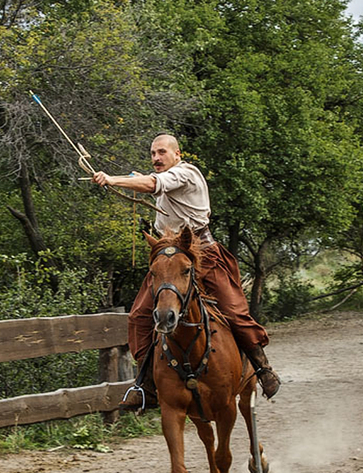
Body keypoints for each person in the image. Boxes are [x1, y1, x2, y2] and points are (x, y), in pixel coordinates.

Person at [92, 134, 281, 404]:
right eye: (153, 153)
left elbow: (152, 183)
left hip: (203, 254)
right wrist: (122, 179)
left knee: (234, 311)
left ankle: (262, 368)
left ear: (177, 154)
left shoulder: (185, 173)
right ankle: (146, 384)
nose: (156, 158)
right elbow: (147, 180)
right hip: (169, 257)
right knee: (139, 316)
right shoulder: (166, 178)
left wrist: (111, 179)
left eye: (162, 152)